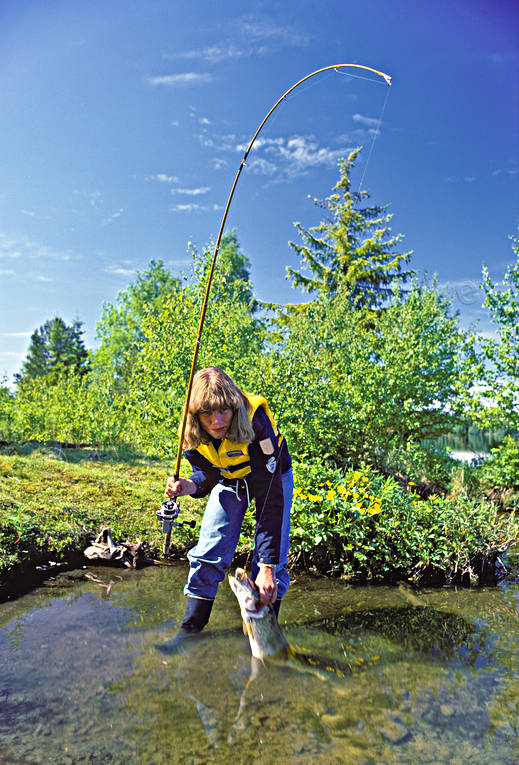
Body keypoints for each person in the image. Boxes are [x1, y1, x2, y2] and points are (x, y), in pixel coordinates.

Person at [165, 366, 293, 636]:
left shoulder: (256, 422)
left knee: (271, 565)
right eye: (207, 413)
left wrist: (267, 566)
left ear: (234, 406)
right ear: (196, 415)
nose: (217, 421)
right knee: (207, 554)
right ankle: (189, 632)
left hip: (272, 478)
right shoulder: (190, 434)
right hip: (231, 479)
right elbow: (209, 472)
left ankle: (264, 637)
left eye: (224, 410)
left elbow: (269, 501)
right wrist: (191, 485)